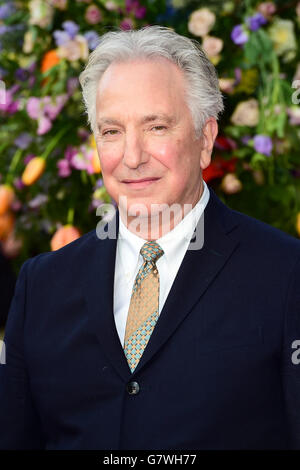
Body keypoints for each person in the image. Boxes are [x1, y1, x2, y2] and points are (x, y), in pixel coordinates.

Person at [0, 25, 300, 450]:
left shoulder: (286, 274)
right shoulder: (41, 286)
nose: (133, 156)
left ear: (206, 139)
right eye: (111, 132)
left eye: (156, 126)